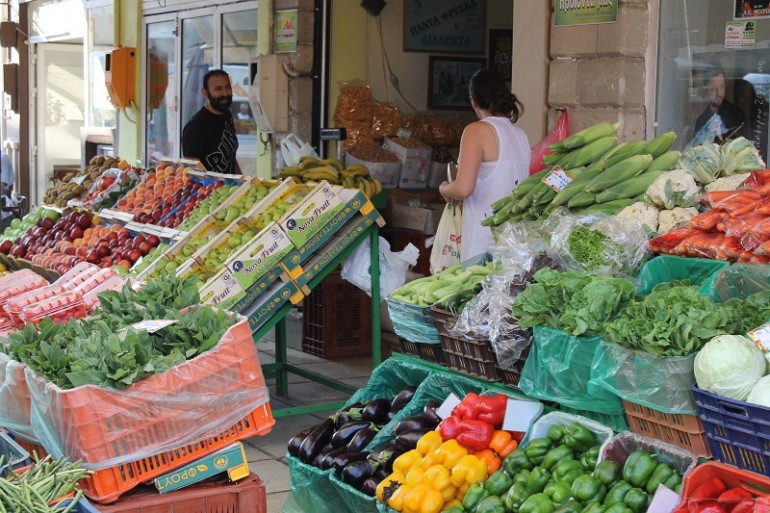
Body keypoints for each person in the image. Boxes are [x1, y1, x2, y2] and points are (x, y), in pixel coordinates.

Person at [439, 69, 530, 262]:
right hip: (515, 241)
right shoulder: (520, 134)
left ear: (473, 101)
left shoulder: (476, 131)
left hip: (483, 243)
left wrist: (445, 188)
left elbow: (463, 188)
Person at [181, 69, 241, 174]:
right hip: (209, 189)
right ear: (205, 93)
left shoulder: (227, 115)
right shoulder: (195, 127)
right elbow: (190, 171)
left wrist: (243, 183)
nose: (225, 94)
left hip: (231, 188)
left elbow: (230, 157)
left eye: (228, 87)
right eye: (218, 89)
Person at [693, 64, 747, 143]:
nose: (719, 93)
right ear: (706, 90)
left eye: (721, 86)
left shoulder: (736, 114)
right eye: (713, 88)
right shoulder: (701, 121)